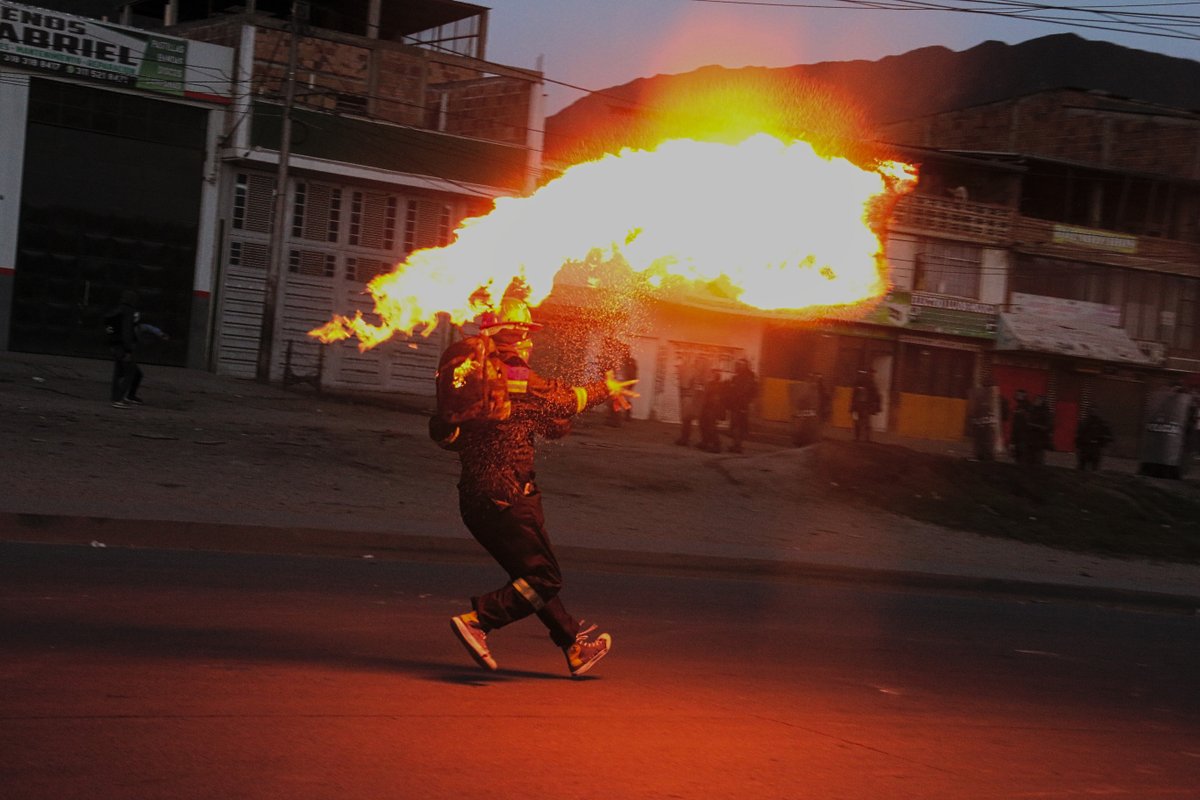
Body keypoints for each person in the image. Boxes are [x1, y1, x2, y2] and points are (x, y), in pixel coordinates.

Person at [428, 284, 637, 678]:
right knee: (544, 578)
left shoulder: (478, 378)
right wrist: (603, 390)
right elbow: (563, 400)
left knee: (529, 578)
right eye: (526, 334)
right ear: (517, 334)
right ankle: (479, 621)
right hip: (509, 494)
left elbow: (542, 420)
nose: (529, 343)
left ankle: (574, 646)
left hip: (474, 500)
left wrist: (553, 420)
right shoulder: (513, 374)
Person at [104, 289, 168, 409]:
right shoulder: (130, 312)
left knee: (122, 372)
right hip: (123, 347)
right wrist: (128, 350)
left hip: (116, 346)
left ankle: (121, 396)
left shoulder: (117, 311)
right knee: (130, 372)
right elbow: (127, 331)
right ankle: (119, 399)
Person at [726, 358, 757, 453]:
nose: (738, 366)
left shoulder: (746, 378)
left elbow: (745, 391)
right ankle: (736, 444)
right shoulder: (741, 377)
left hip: (740, 405)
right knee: (737, 425)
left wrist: (740, 400)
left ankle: (737, 446)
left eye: (740, 365)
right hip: (739, 404)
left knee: (737, 425)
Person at [675, 355, 705, 447]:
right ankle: (685, 438)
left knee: (687, 420)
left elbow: (686, 385)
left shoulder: (695, 373)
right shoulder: (698, 374)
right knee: (688, 420)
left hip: (691, 399)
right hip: (693, 399)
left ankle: (685, 439)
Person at [697, 367, 726, 453]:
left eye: (714, 374)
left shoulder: (718, 385)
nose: (712, 375)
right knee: (703, 424)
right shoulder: (711, 383)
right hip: (707, 407)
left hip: (712, 408)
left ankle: (717, 445)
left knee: (711, 427)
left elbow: (716, 398)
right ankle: (705, 442)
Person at [849, 369, 881, 442]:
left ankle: (860, 437)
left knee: (860, 421)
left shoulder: (861, 384)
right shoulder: (870, 383)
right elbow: (876, 395)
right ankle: (865, 438)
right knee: (864, 421)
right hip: (863, 406)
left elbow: (854, 396)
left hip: (860, 406)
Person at [1026, 394, 1053, 465]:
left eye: (1038, 400)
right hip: (1031, 439)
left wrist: (1033, 425)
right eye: (1035, 400)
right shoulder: (1032, 410)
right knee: (1030, 459)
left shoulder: (1045, 412)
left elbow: (1047, 427)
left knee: (1038, 459)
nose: (1035, 401)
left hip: (1039, 440)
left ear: (1042, 401)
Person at [1009, 389, 1031, 463]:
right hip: (1020, 437)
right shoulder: (1019, 407)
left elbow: (1021, 424)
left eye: (1018, 395)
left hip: (1023, 437)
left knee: (1022, 458)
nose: (1016, 396)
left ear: (1024, 396)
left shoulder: (1026, 407)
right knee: (1019, 458)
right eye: (1016, 394)